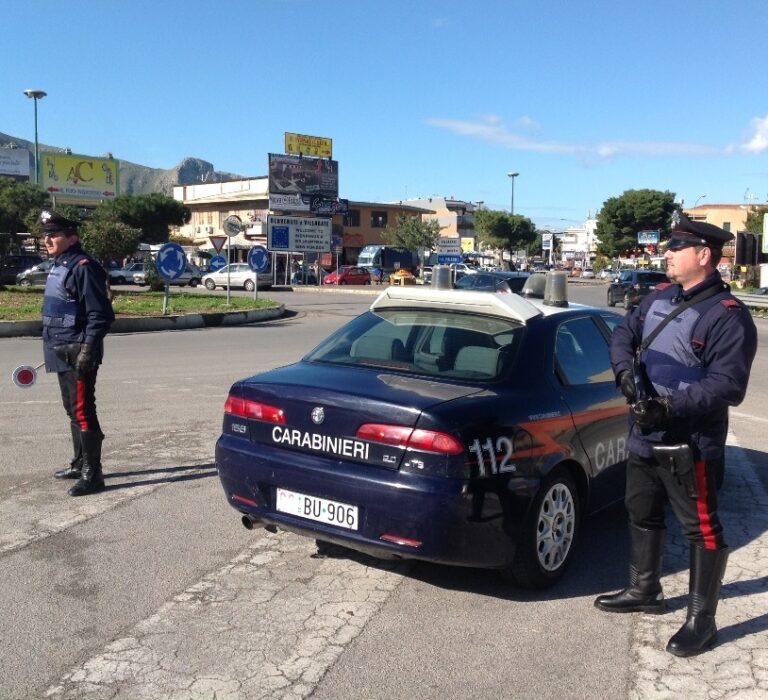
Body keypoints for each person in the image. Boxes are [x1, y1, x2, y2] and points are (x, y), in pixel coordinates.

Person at [594, 211, 757, 657]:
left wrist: (667, 406)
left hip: (690, 443)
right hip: (643, 436)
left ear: (703, 255)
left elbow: (728, 385)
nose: (665, 254)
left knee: (700, 529)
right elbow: (622, 336)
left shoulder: (729, 316)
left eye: (675, 248)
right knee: (640, 511)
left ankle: (701, 621)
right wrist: (627, 376)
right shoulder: (658, 298)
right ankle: (644, 590)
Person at [40, 210, 114, 497]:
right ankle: (79, 462)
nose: (48, 239)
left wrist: (87, 351)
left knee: (84, 412)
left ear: (73, 237)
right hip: (58, 348)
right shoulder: (60, 265)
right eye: (46, 235)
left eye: (54, 234)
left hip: (78, 351)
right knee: (71, 409)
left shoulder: (84, 266)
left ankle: (93, 475)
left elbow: (100, 315)